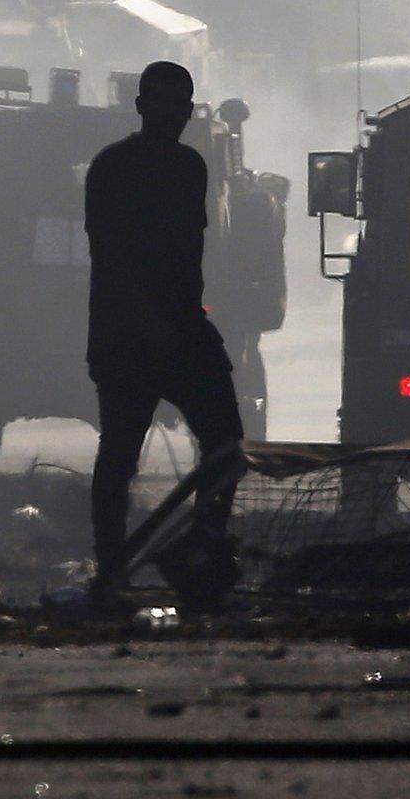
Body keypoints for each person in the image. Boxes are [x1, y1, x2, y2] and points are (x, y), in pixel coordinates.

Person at [84, 61, 244, 595]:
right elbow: (109, 257)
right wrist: (148, 322)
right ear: (141, 106)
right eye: (162, 104)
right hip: (127, 336)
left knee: (226, 446)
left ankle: (202, 552)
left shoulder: (190, 168)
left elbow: (192, 255)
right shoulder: (112, 168)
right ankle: (111, 568)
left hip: (181, 328)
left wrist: (190, 322)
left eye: (181, 106)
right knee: (120, 455)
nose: (171, 115)